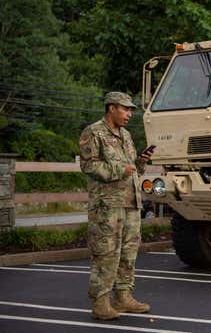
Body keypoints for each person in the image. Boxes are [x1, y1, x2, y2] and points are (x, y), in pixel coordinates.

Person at [79, 92, 154, 320]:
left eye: (130, 110)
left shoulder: (126, 135)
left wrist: (140, 162)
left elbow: (131, 169)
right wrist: (120, 170)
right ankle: (101, 303)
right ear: (111, 108)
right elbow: (89, 166)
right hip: (107, 206)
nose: (129, 114)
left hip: (131, 204)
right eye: (125, 109)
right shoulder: (94, 132)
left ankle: (123, 298)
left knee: (128, 254)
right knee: (106, 253)